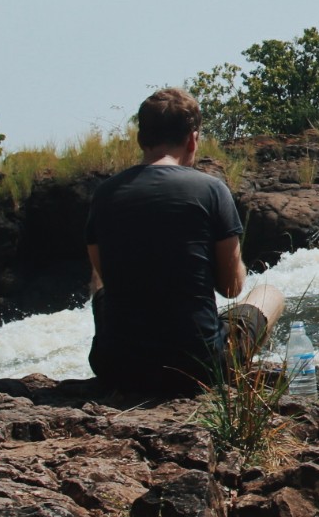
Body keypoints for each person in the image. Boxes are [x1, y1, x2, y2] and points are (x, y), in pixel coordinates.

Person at [85, 88, 284, 398]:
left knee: (101, 283)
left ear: (141, 139)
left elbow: (105, 278)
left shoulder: (104, 194)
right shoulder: (211, 190)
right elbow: (231, 288)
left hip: (116, 366)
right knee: (269, 294)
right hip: (197, 368)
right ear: (192, 139)